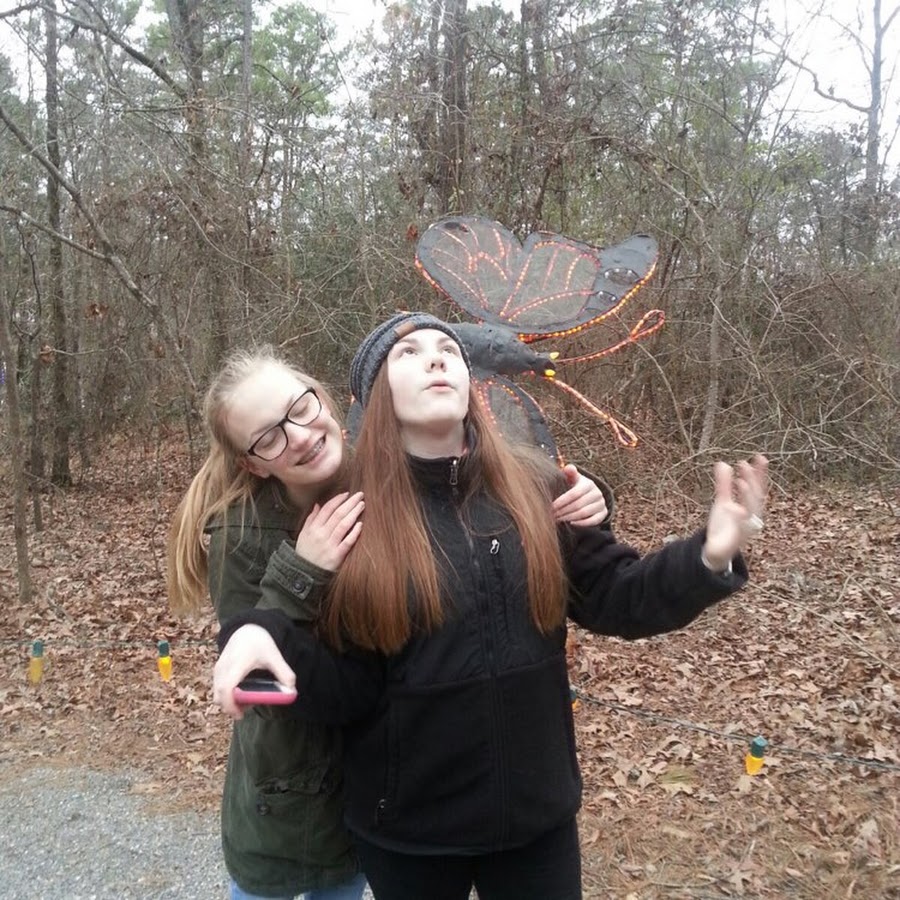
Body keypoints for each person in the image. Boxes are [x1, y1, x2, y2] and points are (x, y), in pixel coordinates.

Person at [210, 313, 769, 900]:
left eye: (447, 348)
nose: (435, 357)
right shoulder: (354, 521)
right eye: (408, 354)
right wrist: (260, 636)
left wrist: (707, 557)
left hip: (535, 823)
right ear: (378, 397)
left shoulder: (537, 490)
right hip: (409, 836)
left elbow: (620, 597)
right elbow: (348, 689)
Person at [166, 344, 611, 900]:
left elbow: (472, 491)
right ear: (252, 463)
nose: (298, 436)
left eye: (300, 409)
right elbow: (257, 669)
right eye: (269, 437)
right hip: (294, 795)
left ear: (324, 400)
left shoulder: (379, 481)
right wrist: (304, 568)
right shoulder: (243, 534)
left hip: (382, 782)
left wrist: (584, 497)